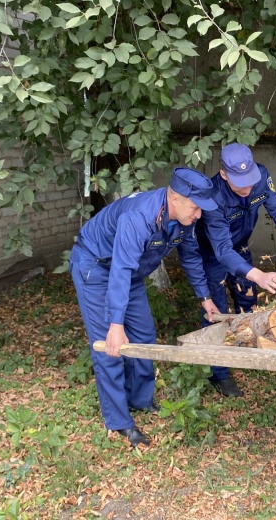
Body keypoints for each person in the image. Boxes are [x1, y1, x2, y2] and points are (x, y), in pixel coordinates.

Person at [70, 168, 219, 447]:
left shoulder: (183, 219)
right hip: (97, 268)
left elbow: (190, 255)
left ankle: (139, 399)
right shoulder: (138, 217)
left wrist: (204, 297)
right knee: (110, 346)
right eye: (196, 207)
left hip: (130, 272)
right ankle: (119, 421)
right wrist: (116, 324)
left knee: (143, 335)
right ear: (175, 198)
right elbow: (120, 268)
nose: (199, 214)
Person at [191, 143, 276, 397]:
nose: (247, 188)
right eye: (240, 183)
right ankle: (219, 374)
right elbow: (222, 251)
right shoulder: (213, 198)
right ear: (224, 174)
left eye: (250, 180)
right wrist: (258, 274)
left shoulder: (261, 176)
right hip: (213, 254)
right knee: (217, 311)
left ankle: (249, 348)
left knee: (247, 299)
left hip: (241, 246)